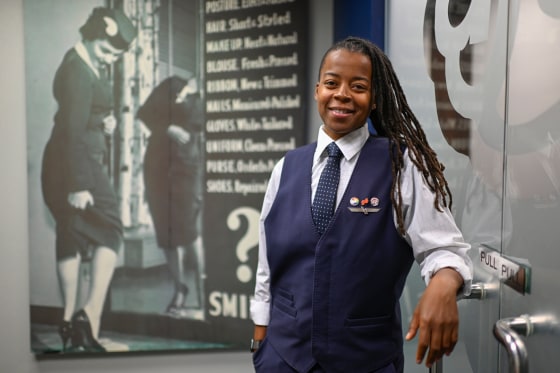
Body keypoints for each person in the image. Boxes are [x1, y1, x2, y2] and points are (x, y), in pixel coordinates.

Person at [249, 37, 473, 372]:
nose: (342, 94)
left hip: (366, 360)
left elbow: (444, 250)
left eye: (358, 86)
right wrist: (260, 340)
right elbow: (268, 264)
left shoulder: (403, 165)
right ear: (317, 91)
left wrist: (444, 283)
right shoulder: (286, 167)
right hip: (282, 357)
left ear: (374, 100)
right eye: (331, 83)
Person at [41, 7, 136, 352]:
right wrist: (78, 183)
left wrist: (102, 123)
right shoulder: (78, 70)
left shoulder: (78, 62)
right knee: (111, 228)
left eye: (116, 55)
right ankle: (89, 320)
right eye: (108, 50)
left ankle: (71, 327)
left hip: (65, 161)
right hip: (77, 164)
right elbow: (72, 129)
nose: (111, 59)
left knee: (72, 232)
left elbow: (78, 118)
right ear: (94, 34)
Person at [137, 75, 205, 318]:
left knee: (188, 231)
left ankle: (204, 292)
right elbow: (143, 112)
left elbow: (200, 124)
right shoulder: (171, 84)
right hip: (156, 167)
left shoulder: (204, 97)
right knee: (165, 232)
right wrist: (167, 127)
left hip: (187, 168)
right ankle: (180, 290)